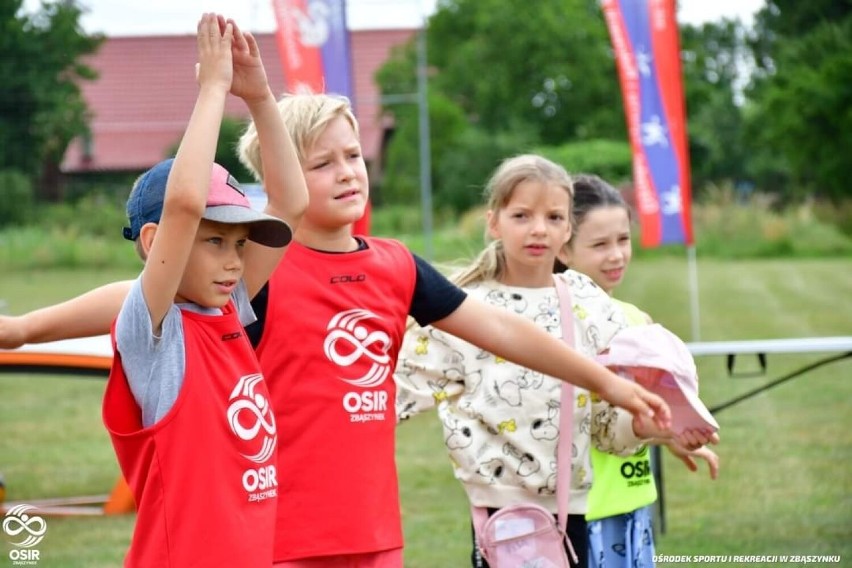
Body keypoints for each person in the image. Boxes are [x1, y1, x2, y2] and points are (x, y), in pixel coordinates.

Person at [0, 96, 671, 567]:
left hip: (374, 534)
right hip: (275, 537)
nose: (348, 170)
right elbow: (143, 297)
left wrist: (607, 381)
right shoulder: (251, 268)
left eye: (352, 154)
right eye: (323, 163)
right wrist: (28, 327)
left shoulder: (396, 265)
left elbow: (498, 327)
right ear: (284, 176)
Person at [393, 155, 719, 568]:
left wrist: (646, 426)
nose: (538, 229)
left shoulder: (591, 307)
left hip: (577, 517)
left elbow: (605, 429)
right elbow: (386, 399)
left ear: (567, 230)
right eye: (522, 215)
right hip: (501, 520)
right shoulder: (462, 313)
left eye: (553, 217)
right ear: (494, 222)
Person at [99, 14, 306, 566]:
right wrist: (213, 88)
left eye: (240, 245)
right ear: (154, 242)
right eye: (214, 241)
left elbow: (290, 207)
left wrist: (260, 97)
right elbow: (185, 205)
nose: (234, 262)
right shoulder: (156, 330)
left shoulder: (229, 311)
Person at [559, 173, 719, 568]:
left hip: (632, 501)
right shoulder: (554, 329)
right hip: (580, 513)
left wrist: (672, 437)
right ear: (563, 250)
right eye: (600, 244)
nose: (616, 255)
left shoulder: (637, 320)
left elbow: (645, 413)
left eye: (623, 240)